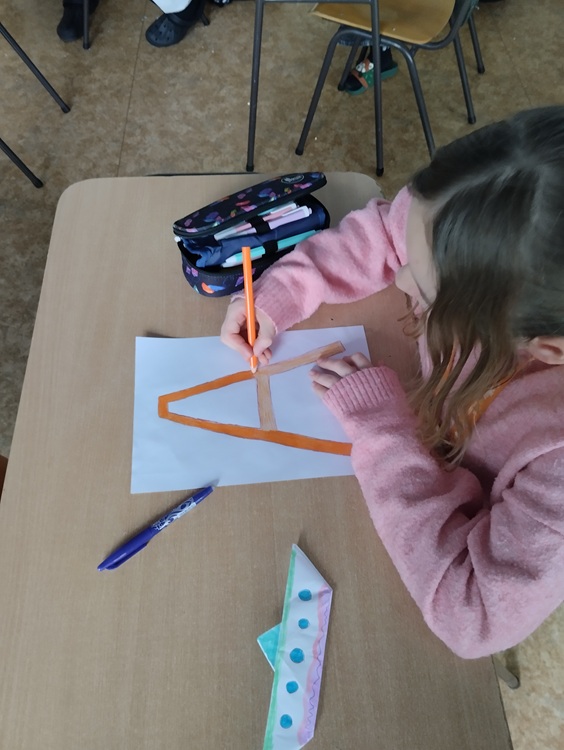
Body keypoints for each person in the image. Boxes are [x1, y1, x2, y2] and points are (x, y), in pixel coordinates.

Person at [220, 106, 564, 659]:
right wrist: (281, 295)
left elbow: (473, 616)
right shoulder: (465, 212)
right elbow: (386, 233)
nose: (400, 277)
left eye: (425, 293)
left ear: (547, 349)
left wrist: (384, 431)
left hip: (425, 526)